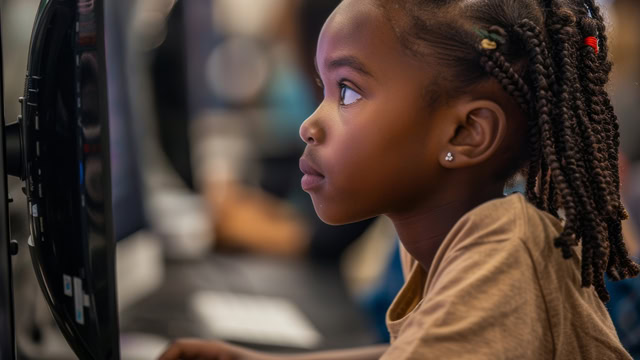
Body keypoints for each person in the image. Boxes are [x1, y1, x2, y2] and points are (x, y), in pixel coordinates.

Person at [159, 0, 638, 358]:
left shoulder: (504, 251)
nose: (310, 124)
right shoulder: (441, 241)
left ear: (467, 132)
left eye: (347, 92)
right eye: (323, 88)